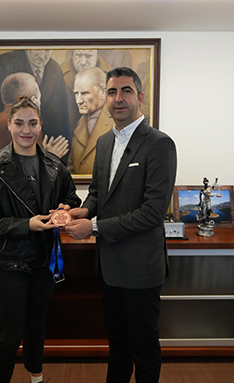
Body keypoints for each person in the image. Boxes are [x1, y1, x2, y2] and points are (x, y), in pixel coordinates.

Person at [65, 67, 177, 383]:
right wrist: (83, 211)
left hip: (141, 267)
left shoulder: (159, 144)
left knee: (144, 347)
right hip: (109, 265)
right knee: (117, 344)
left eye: (126, 91)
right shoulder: (104, 143)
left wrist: (94, 227)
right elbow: (98, 193)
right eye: (112, 92)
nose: (118, 99)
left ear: (140, 97)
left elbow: (152, 213)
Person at [0, 96, 81, 383]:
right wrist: (26, 225)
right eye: (19, 123)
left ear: (41, 125)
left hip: (44, 260)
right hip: (8, 263)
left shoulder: (55, 165)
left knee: (37, 327)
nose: (26, 130)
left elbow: (72, 199)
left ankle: (36, 378)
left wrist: (65, 208)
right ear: (9, 125)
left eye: (32, 123)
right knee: (9, 334)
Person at [0, 50, 71, 160]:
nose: (42, 56)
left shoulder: (54, 68)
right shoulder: (3, 64)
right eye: (37, 50)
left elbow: (63, 117)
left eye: (47, 50)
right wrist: (48, 158)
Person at [68, 66, 113, 174]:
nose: (78, 101)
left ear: (103, 92)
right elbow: (72, 167)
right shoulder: (79, 124)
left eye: (84, 93)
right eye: (76, 93)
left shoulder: (117, 123)